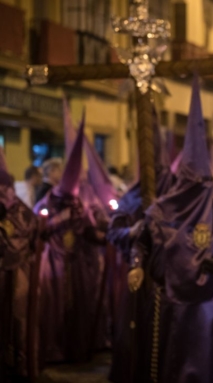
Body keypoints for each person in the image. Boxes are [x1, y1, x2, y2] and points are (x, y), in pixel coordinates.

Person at [130, 74, 213, 383]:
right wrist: (137, 266)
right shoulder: (160, 210)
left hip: (208, 304)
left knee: (204, 366)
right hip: (170, 302)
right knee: (170, 365)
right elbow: (140, 242)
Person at [107, 109, 175, 383]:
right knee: (134, 331)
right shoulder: (131, 198)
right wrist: (131, 231)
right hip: (136, 273)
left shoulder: (173, 195)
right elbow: (114, 232)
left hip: (165, 276)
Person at [35, 119, 107, 364]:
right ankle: (53, 350)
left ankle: (77, 348)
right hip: (54, 263)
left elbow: (88, 229)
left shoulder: (78, 204)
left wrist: (104, 235)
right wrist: (55, 221)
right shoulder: (47, 201)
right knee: (53, 308)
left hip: (77, 264)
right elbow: (38, 228)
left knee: (79, 306)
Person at [0, 148, 38, 382]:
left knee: (15, 320)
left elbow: (23, 239)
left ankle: (15, 365)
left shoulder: (20, 210)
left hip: (14, 277)